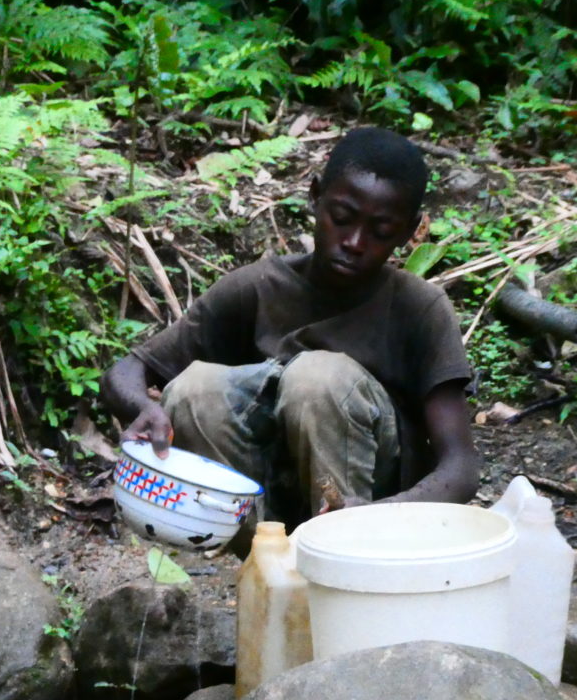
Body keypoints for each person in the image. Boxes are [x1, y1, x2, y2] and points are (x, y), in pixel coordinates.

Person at [100, 127, 480, 540]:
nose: (354, 242)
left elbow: (460, 468)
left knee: (317, 379)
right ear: (315, 196)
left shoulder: (420, 308)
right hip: (267, 508)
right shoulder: (257, 288)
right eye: (342, 218)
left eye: (381, 231)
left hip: (371, 515)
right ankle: (267, 555)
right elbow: (127, 371)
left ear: (410, 231)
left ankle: (340, 550)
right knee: (194, 390)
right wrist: (144, 408)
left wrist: (379, 514)